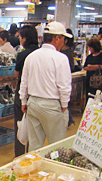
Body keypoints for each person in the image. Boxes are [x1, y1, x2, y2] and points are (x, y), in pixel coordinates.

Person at [19, 21, 72, 152]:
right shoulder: (60, 58)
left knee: (34, 146)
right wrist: (64, 105)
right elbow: (64, 86)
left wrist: (23, 101)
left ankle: (34, 170)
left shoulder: (31, 57)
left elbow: (23, 82)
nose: (63, 42)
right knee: (57, 146)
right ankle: (55, 170)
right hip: (52, 105)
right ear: (57, 38)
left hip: (33, 104)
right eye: (63, 38)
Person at [13, 25, 39, 157]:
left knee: (20, 124)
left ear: (24, 38)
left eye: (20, 37)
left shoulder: (22, 55)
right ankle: (31, 155)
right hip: (36, 94)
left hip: (22, 94)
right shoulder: (40, 53)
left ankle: (19, 156)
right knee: (35, 129)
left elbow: (17, 75)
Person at [60, 28, 76, 127]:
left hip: (64, 79)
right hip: (60, 80)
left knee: (63, 101)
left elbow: (71, 67)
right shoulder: (60, 51)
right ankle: (69, 119)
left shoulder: (68, 52)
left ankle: (69, 119)